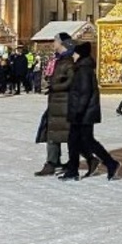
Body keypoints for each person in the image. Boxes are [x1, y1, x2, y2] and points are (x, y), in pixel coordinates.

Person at [61, 42, 121, 181]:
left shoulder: (83, 70)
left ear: (80, 55)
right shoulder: (82, 68)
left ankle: (109, 163)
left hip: (83, 113)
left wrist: (78, 111)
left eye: (75, 53)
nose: (73, 56)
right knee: (78, 140)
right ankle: (75, 169)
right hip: (84, 112)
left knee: (83, 140)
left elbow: (85, 93)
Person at [36, 34, 74, 176]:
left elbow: (72, 81)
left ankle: (83, 160)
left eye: (55, 41)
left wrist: (55, 86)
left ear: (62, 43)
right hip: (56, 102)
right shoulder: (58, 59)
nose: (53, 43)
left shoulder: (68, 61)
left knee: (66, 134)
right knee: (52, 131)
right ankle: (53, 161)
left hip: (64, 102)